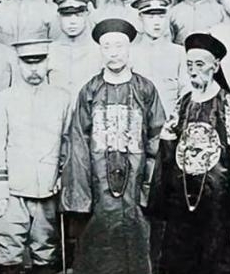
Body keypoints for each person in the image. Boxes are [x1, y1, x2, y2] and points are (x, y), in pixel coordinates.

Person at [60, 18, 167, 274]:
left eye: (119, 46)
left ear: (129, 48)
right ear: (100, 50)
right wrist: (83, 196)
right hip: (99, 191)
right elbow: (78, 144)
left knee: (138, 249)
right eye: (107, 47)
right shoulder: (90, 91)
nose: (114, 53)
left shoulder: (145, 89)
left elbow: (156, 141)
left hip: (135, 190)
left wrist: (149, 189)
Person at [147, 33, 230, 274]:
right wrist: (161, 204)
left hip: (219, 207)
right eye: (189, 65)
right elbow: (166, 156)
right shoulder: (182, 104)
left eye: (200, 64)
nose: (194, 71)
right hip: (182, 205)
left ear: (215, 66)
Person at [0, 39, 71, 274]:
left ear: (48, 62)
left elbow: (68, 142)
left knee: (47, 251)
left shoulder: (62, 99)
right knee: (8, 253)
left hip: (49, 191)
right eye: (27, 62)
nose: (33, 69)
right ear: (18, 63)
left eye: (39, 62)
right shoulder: (4, 99)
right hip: (12, 192)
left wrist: (63, 177)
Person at [130, 0, 188, 115]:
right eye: (150, 17)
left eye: (161, 17)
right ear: (140, 19)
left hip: (170, 118)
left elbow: (186, 90)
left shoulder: (179, 53)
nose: (156, 23)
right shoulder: (130, 54)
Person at [47, 0, 101, 95]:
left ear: (87, 15)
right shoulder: (49, 51)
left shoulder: (99, 51)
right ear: (58, 16)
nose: (72, 22)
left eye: (78, 15)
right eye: (66, 15)